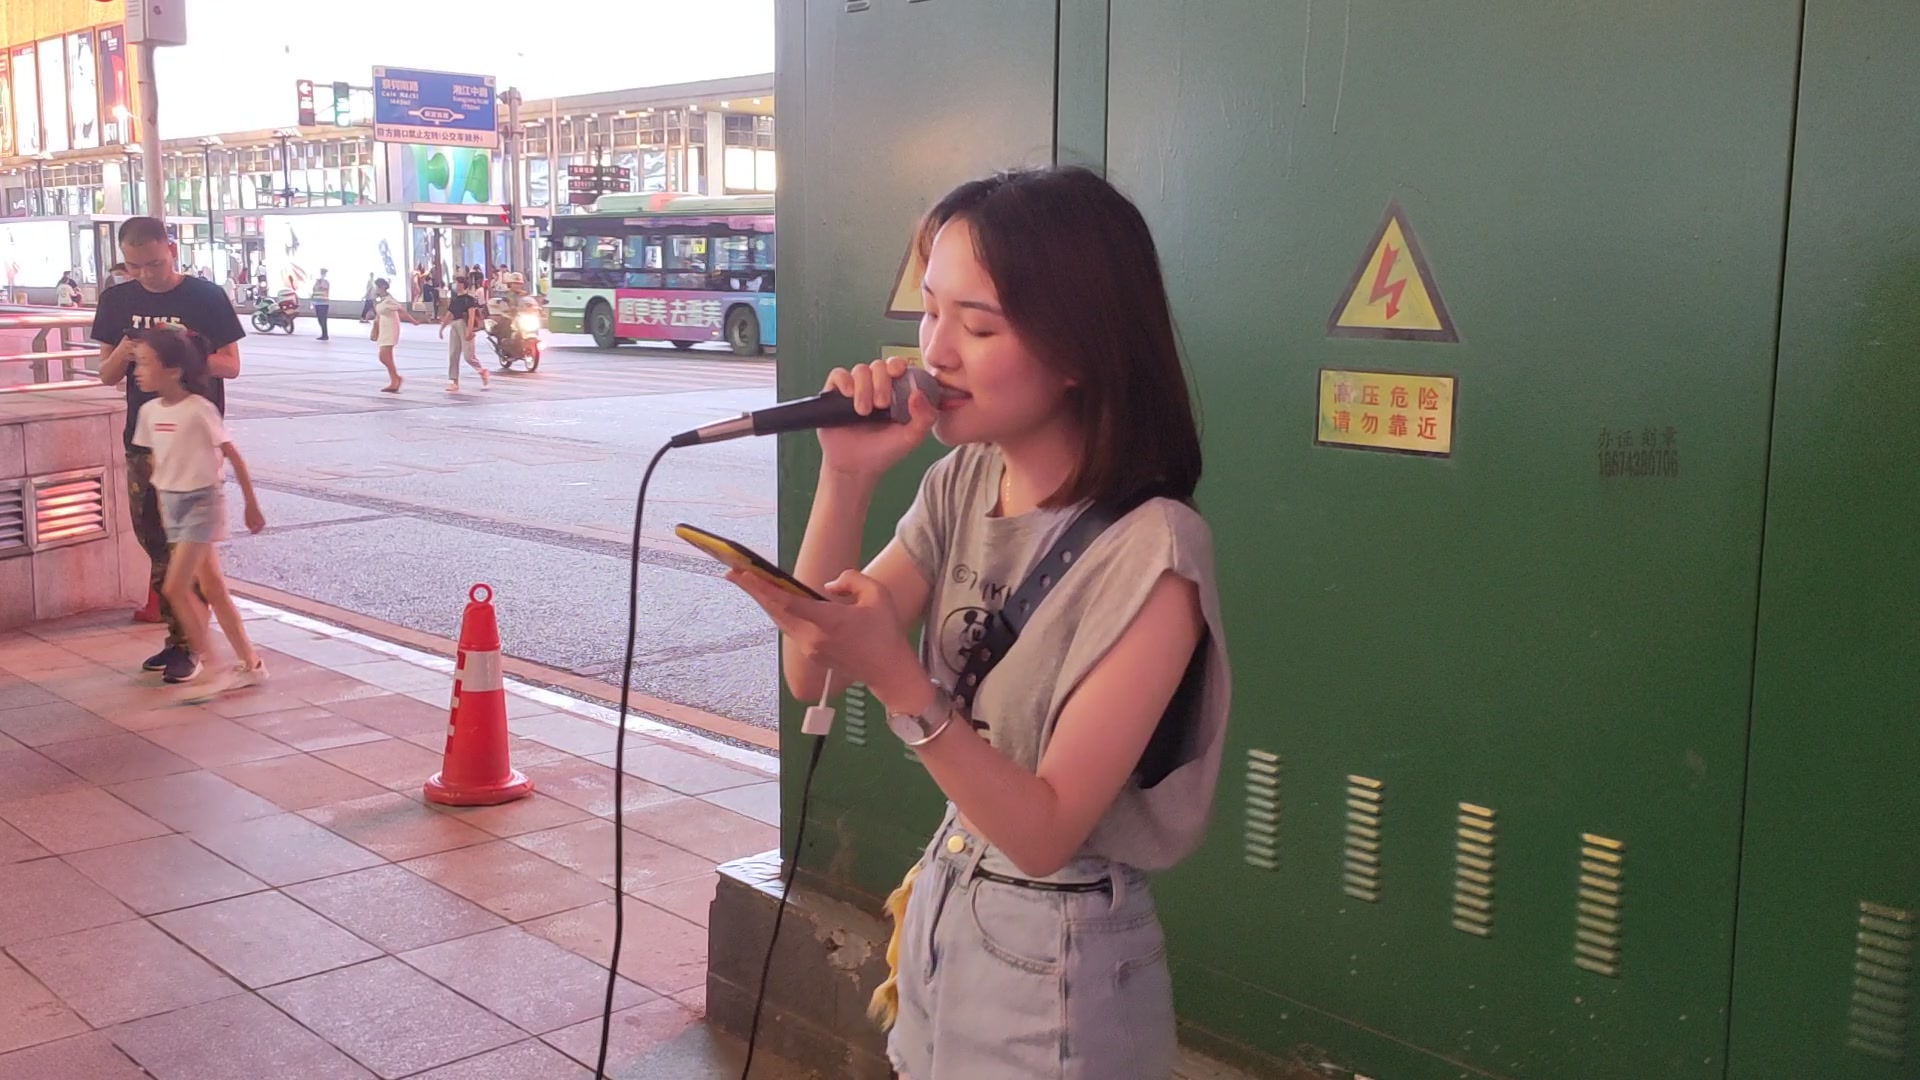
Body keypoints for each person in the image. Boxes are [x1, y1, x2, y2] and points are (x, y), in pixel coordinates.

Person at [724, 166, 1231, 1080]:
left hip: (1062, 953)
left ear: (1080, 351)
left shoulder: (1155, 554)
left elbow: (1044, 834)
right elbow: (815, 670)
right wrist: (846, 475)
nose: (937, 352)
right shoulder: (961, 481)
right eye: (930, 312)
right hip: (946, 904)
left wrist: (897, 678)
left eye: (980, 325)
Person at [93, 216, 248, 685]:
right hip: (144, 439)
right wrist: (131, 344)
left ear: (171, 249)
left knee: (187, 550)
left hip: (193, 443)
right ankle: (180, 638)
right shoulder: (117, 300)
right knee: (154, 541)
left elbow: (232, 366)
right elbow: (105, 374)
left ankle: (189, 646)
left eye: (154, 263)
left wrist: (178, 350)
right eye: (134, 266)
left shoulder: (204, 296)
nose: (145, 275)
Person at [126, 323, 269, 697]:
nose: (138, 371)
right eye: (137, 363)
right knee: (213, 587)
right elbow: (160, 464)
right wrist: (161, 505)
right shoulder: (150, 413)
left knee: (175, 587)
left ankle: (213, 666)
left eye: (144, 363)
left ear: (173, 370)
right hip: (173, 504)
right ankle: (250, 663)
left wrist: (251, 505)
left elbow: (233, 456)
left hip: (202, 502)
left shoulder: (198, 409)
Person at [439, 278, 489, 391]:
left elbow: (471, 316)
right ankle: (453, 381)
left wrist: (470, 331)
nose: (455, 285)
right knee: (453, 354)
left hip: (464, 325)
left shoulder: (469, 299)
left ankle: (481, 371)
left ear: (463, 285)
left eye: (457, 283)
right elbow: (449, 314)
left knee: (468, 356)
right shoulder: (455, 299)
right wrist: (442, 328)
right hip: (454, 325)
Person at [369, 277, 415, 392]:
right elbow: (379, 314)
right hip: (383, 328)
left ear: (383, 287)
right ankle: (394, 380)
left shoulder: (389, 300)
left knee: (383, 356)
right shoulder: (381, 300)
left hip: (391, 328)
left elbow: (401, 310)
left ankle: (396, 378)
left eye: (377, 287)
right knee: (386, 356)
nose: (376, 289)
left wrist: (413, 321)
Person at [311, 268, 332, 340]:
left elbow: (324, 287)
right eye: (321, 273)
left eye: (323, 273)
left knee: (323, 319)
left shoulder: (326, 282)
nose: (322, 274)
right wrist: (312, 302)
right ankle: (323, 334)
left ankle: (325, 335)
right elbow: (314, 291)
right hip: (317, 303)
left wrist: (321, 280)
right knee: (320, 319)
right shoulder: (317, 282)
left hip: (324, 303)